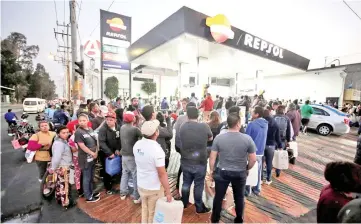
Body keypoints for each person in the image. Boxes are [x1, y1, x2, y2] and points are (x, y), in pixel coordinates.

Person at [209, 113, 257, 223]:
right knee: (239, 197)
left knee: (219, 196)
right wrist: (247, 168)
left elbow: (212, 157)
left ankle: (215, 218)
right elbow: (253, 159)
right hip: (240, 172)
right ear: (238, 124)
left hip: (222, 171)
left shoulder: (219, 138)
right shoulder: (247, 139)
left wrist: (212, 171)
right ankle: (239, 218)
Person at [133, 119, 172, 223]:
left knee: (144, 209)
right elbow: (162, 173)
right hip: (153, 187)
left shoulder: (137, 144)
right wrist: (168, 192)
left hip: (141, 184)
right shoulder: (157, 150)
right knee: (153, 213)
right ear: (156, 133)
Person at [179, 106, 213, 213]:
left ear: (187, 115)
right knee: (199, 185)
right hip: (200, 161)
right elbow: (210, 138)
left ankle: (184, 203)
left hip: (186, 160)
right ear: (198, 115)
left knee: (186, 183)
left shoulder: (183, 126)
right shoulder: (204, 126)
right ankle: (199, 207)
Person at [74, 114, 100, 203]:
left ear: (87, 120)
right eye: (80, 120)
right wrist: (92, 153)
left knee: (92, 176)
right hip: (85, 158)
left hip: (93, 157)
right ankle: (88, 196)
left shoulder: (90, 129)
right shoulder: (78, 132)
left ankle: (91, 192)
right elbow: (82, 146)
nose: (82, 122)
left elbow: (95, 141)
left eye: (84, 120)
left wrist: (96, 152)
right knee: (87, 177)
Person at [48, 126, 76, 208]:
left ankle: (59, 199)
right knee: (65, 186)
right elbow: (56, 158)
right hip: (64, 167)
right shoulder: (59, 144)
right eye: (63, 133)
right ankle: (66, 203)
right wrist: (53, 168)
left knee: (59, 184)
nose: (66, 134)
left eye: (67, 132)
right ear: (58, 133)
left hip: (62, 166)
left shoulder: (62, 141)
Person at [245, 106, 268, 196]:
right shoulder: (266, 124)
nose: (251, 113)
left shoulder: (252, 124)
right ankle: (257, 189)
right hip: (261, 151)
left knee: (248, 169)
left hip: (251, 151)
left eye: (253, 112)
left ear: (257, 114)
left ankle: (247, 190)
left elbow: (247, 138)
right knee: (258, 170)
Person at [120, 111, 142, 202]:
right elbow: (143, 137)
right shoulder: (135, 129)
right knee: (135, 175)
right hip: (132, 156)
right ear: (133, 119)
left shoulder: (122, 127)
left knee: (125, 173)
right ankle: (136, 195)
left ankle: (123, 192)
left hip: (124, 155)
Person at [173, 100, 194, 197]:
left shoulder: (180, 118)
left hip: (177, 146)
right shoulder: (192, 121)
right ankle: (182, 187)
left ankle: (178, 185)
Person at [98, 111, 121, 195]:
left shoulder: (118, 127)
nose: (108, 121)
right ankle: (108, 188)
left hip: (115, 152)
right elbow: (102, 142)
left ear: (115, 120)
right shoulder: (103, 129)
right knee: (106, 171)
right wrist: (109, 152)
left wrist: (118, 149)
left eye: (111, 120)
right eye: (107, 119)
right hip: (106, 153)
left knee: (115, 168)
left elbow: (119, 140)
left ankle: (113, 183)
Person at [262, 109, 283, 185]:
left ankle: (260, 179)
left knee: (261, 162)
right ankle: (268, 179)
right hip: (271, 145)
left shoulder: (262, 122)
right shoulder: (275, 123)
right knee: (269, 162)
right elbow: (277, 137)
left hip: (262, 145)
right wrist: (280, 145)